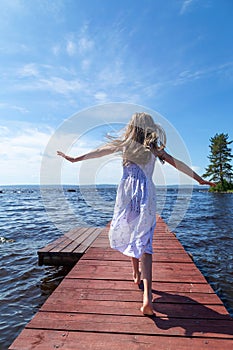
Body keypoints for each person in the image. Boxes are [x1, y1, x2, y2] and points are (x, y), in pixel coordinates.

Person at [57, 112, 215, 316]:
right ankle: (147, 297)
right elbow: (180, 165)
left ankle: (135, 272)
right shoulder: (154, 149)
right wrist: (200, 180)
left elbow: (99, 151)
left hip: (127, 194)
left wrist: (75, 159)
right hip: (146, 195)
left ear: (132, 127)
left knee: (130, 231)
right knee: (145, 242)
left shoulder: (125, 146)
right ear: (151, 129)